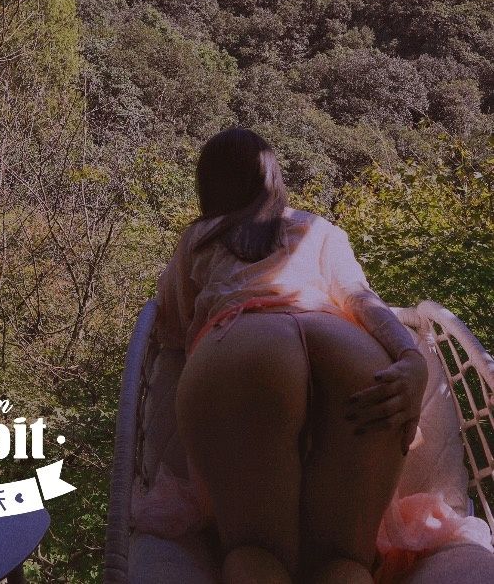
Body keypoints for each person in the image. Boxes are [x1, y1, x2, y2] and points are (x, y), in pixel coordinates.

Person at [149, 127, 430, 584]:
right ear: (274, 179)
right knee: (345, 560)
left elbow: (173, 332)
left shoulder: (200, 238)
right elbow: (360, 298)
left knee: (256, 551)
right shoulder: (319, 230)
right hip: (345, 347)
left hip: (244, 342)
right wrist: (411, 357)